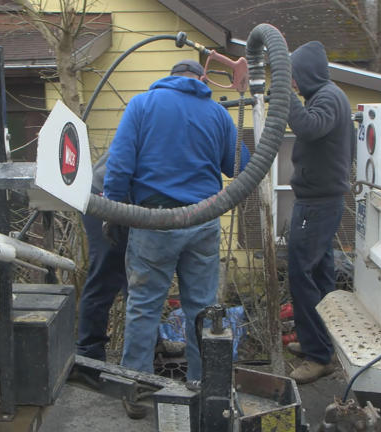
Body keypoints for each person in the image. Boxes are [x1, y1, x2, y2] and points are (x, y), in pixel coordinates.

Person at [103, 59, 249, 389]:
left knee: (144, 308)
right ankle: (202, 387)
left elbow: (119, 166)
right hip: (203, 222)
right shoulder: (217, 114)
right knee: (202, 309)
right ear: (201, 79)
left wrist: (114, 211)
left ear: (169, 78)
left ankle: (136, 387)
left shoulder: (142, 105)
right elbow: (242, 165)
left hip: (154, 222)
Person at [284, 41, 354, 384]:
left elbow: (309, 127)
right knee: (322, 275)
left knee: (301, 273)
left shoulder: (327, 98)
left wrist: (283, 96)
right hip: (321, 199)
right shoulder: (328, 96)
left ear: (306, 73)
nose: (293, 83)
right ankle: (323, 343)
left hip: (317, 203)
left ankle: (318, 356)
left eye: (294, 76)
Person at [75, 152, 128, 364]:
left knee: (138, 276)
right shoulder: (155, 121)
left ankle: (149, 343)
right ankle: (89, 353)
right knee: (106, 272)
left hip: (130, 198)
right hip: (105, 194)